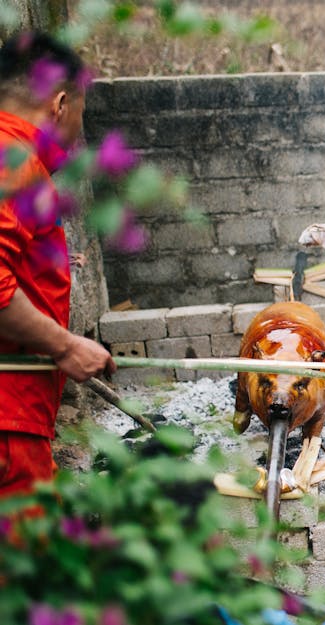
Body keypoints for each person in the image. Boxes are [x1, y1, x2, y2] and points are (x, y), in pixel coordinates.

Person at [0, 32, 115, 497]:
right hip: (9, 418)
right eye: (80, 122)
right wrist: (65, 346)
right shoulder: (15, 161)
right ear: (59, 104)